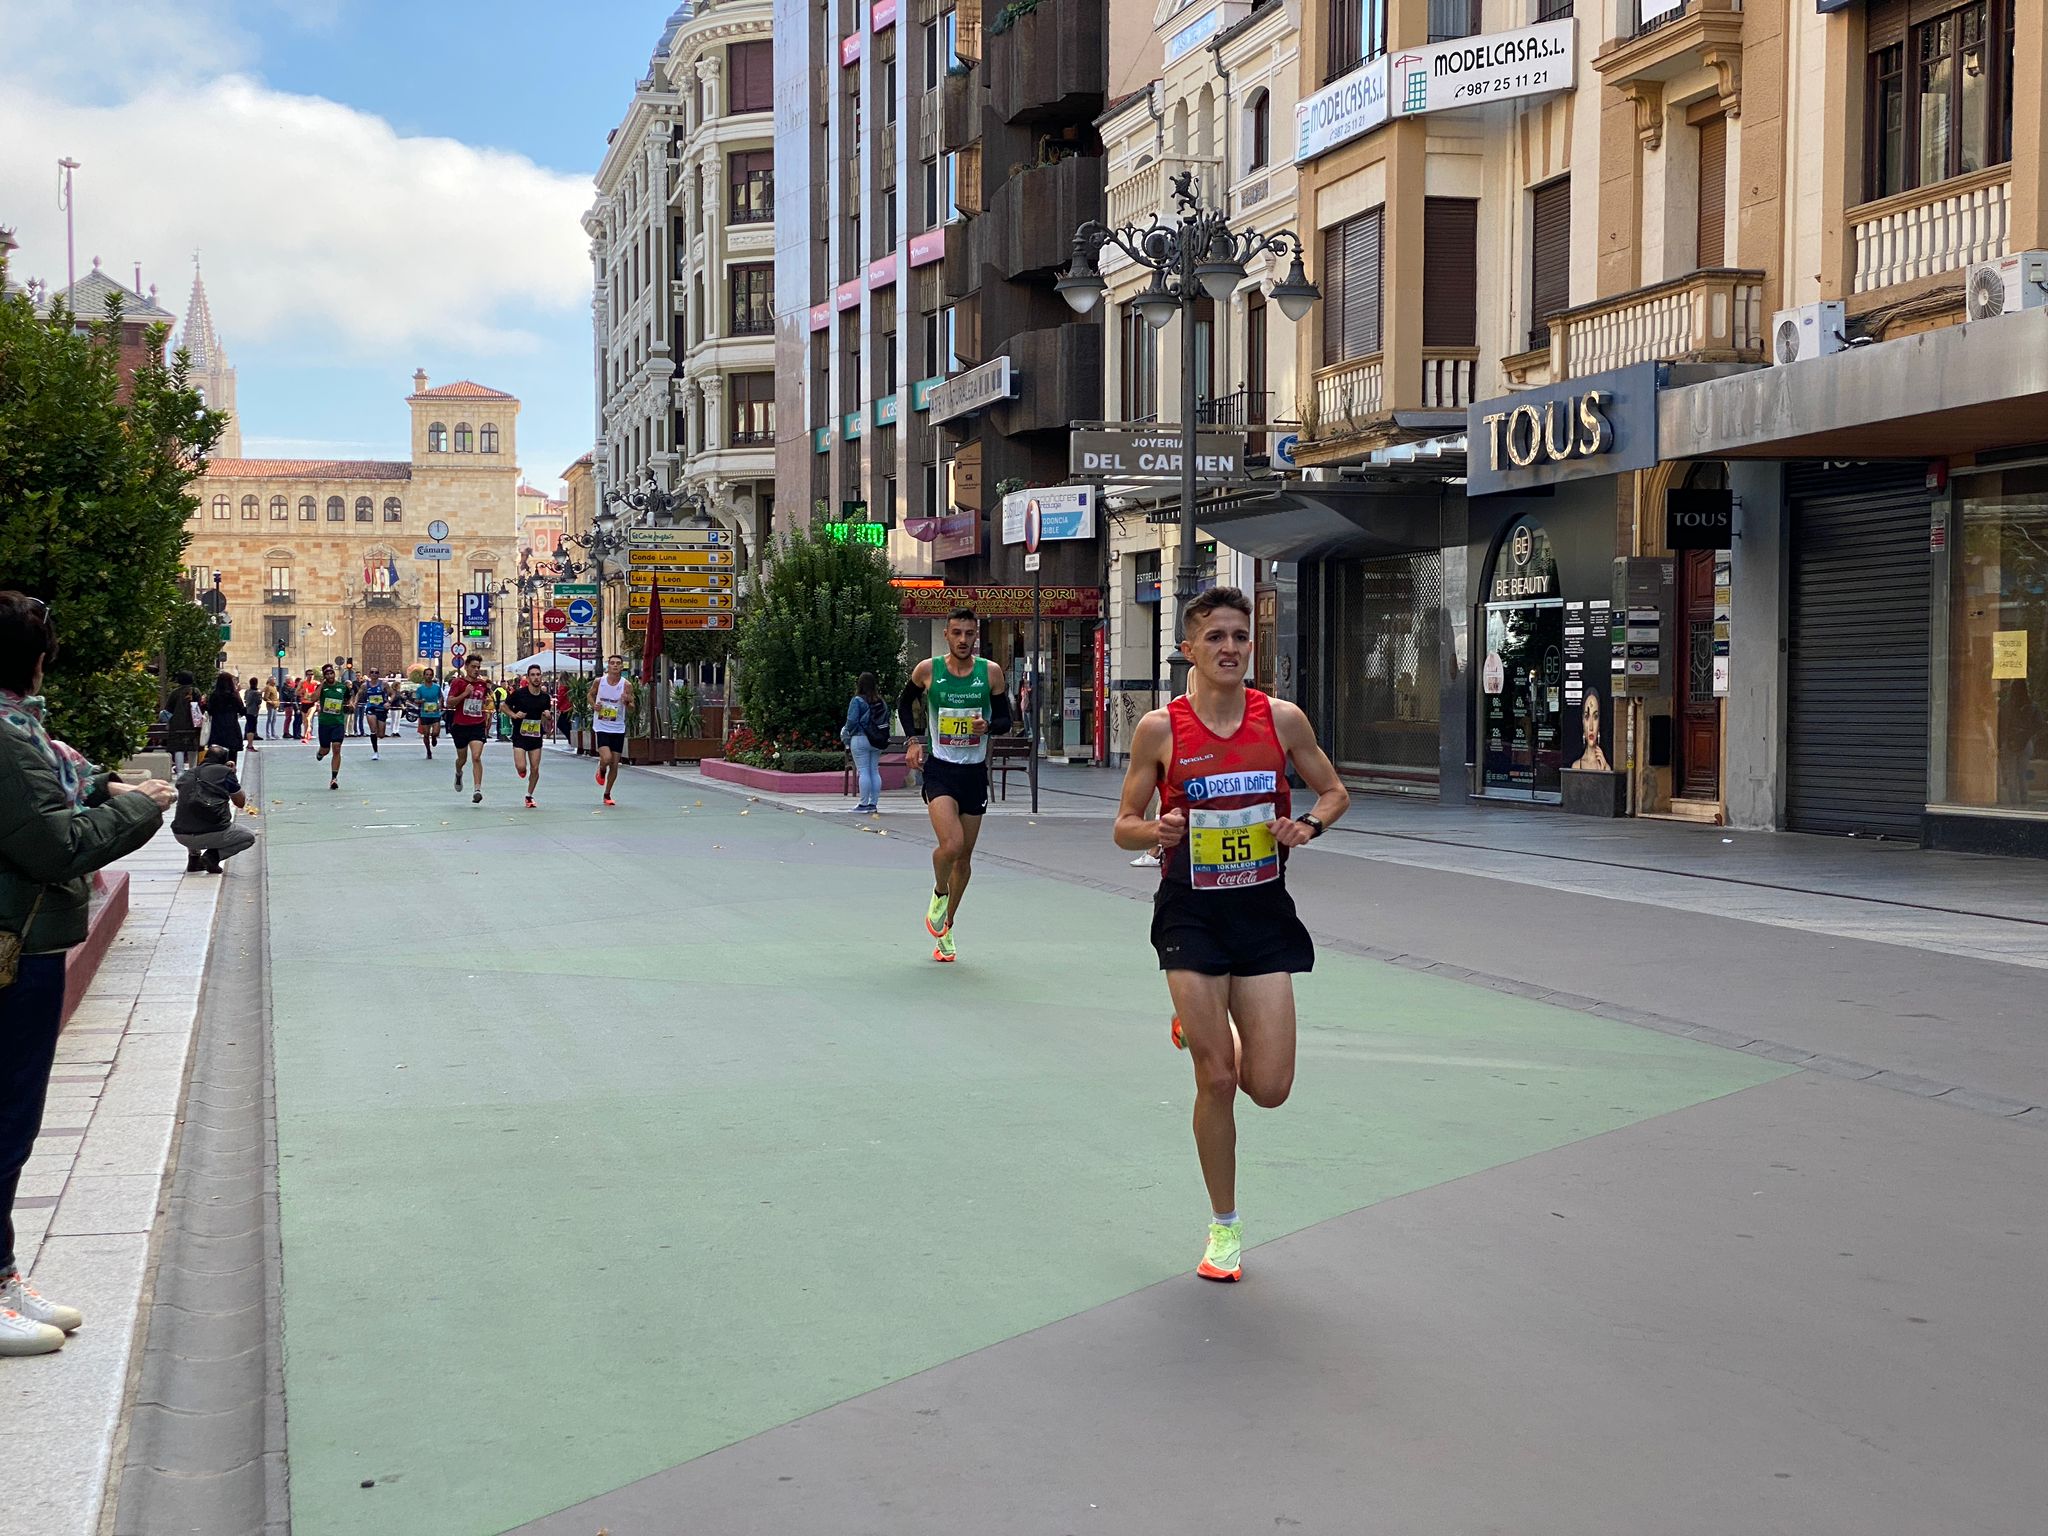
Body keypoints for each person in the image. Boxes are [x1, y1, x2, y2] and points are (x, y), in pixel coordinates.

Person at [1112, 586, 1349, 1285]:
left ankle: (1199, 1023)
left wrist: (1306, 826)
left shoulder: (1281, 720)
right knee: (1217, 1078)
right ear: (1188, 647)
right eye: (1215, 636)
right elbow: (1123, 821)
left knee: (1268, 1087)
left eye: (1240, 637)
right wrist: (1157, 829)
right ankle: (1225, 1229)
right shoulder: (1160, 729)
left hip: (1262, 912)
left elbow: (1333, 792)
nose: (1230, 648)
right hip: (1190, 910)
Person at [0, 592, 174, 1354]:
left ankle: (3, 1275)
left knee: (14, 1122)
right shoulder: (6, 738)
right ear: (34, 661)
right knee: (5, 1122)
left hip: (28, 941)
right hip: (16, 945)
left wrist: (112, 788)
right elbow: (50, 845)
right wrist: (143, 809)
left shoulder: (21, 732)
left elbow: (68, 776)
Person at [899, 607, 1012, 963]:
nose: (963, 640)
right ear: (946, 635)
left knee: (964, 859)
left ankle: (946, 927)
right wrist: (914, 741)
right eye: (957, 633)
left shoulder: (990, 673)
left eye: (969, 633)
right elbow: (904, 703)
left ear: (976, 636)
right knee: (951, 844)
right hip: (940, 770)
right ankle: (937, 892)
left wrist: (988, 727)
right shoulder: (928, 670)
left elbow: (1007, 718)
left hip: (974, 773)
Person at [172, 743, 256, 874]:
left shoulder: (187, 775)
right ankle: (212, 857)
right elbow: (240, 802)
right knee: (249, 837)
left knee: (191, 811)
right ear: (225, 761)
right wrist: (232, 774)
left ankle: (194, 860)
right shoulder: (225, 773)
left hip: (181, 834)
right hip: (213, 831)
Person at [445, 653, 493, 803]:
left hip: (477, 725)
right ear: (466, 667)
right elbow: (449, 703)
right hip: (460, 726)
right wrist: (465, 694)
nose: (476, 670)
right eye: (473, 667)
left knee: (476, 756)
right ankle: (458, 772)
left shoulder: (483, 684)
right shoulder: (458, 683)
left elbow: (484, 702)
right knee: (462, 758)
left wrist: (486, 707)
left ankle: (477, 790)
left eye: (478, 667)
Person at [505, 664, 553, 808]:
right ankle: (522, 770)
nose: (536, 677)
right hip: (520, 735)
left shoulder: (545, 697)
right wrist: (514, 714)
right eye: (533, 675)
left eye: (538, 674)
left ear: (541, 677)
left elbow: (545, 718)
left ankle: (529, 795)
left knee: (535, 768)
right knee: (521, 767)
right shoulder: (519, 694)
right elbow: (503, 706)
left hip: (535, 736)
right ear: (528, 677)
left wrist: (548, 716)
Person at [843, 670, 889, 815]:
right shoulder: (881, 701)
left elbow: (851, 721)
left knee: (863, 771)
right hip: (877, 740)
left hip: (860, 738)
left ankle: (863, 804)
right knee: (874, 770)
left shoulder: (857, 700)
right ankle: (873, 804)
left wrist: (846, 733)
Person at [591, 654, 633, 807]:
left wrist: (627, 702)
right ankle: (601, 769)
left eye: (618, 663)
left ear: (622, 667)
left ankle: (607, 794)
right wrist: (593, 705)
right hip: (601, 726)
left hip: (618, 727)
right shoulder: (599, 681)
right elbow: (590, 695)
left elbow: (633, 708)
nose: (615, 666)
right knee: (607, 758)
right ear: (607, 666)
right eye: (612, 663)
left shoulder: (626, 685)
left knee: (614, 764)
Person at [311, 663, 349, 788]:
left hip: (338, 722)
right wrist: (321, 684)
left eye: (331, 673)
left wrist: (351, 704)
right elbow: (313, 698)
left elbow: (349, 699)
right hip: (324, 723)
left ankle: (334, 778)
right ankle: (320, 753)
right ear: (324, 676)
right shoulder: (321, 687)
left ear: (334, 674)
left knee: (337, 748)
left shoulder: (342, 687)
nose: (330, 675)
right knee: (325, 750)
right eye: (327, 674)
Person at [164, 671, 201, 774]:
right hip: (192, 723)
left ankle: (180, 771)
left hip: (177, 724)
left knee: (178, 748)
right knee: (192, 748)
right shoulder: (195, 691)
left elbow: (168, 709)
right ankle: (192, 770)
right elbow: (199, 707)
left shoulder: (175, 693)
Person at [203, 671, 245, 761]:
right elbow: (242, 710)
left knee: (217, 752)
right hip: (232, 726)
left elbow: (209, 710)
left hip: (217, 726)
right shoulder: (234, 695)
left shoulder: (214, 695)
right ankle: (231, 771)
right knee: (232, 753)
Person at [1570, 691, 1611, 772]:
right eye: (1587, 717)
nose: (1591, 727)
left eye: (1595, 717)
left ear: (1599, 723)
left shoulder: (1606, 767)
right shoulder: (1576, 766)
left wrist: (1603, 771)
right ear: (1582, 721)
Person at [359, 670, 392, 760]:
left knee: (381, 735)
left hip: (381, 709)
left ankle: (377, 732)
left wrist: (389, 702)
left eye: (376, 672)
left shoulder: (384, 684)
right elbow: (359, 694)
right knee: (373, 730)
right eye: (372, 672)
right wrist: (353, 702)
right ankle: (375, 752)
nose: (374, 674)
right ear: (369, 674)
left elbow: (392, 694)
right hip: (371, 708)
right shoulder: (365, 685)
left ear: (378, 674)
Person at [415, 671, 445, 759]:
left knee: (436, 732)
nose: (429, 676)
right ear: (424, 676)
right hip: (425, 714)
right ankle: (428, 751)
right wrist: (421, 701)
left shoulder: (437, 687)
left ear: (432, 676)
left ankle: (434, 737)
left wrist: (440, 703)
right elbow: (416, 700)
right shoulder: (420, 688)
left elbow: (440, 697)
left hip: (435, 713)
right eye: (427, 675)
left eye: (430, 675)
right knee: (426, 734)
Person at [240, 676, 262, 752]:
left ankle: (248, 742)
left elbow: (245, 699)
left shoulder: (247, 691)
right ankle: (250, 745)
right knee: (252, 728)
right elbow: (258, 702)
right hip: (254, 711)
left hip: (248, 710)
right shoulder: (257, 692)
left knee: (249, 725)